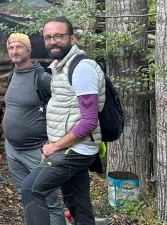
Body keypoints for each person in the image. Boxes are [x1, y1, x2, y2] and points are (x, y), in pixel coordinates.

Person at [22, 17, 105, 225]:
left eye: (59, 36)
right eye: (48, 37)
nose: (53, 41)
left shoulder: (82, 68)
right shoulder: (60, 66)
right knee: (78, 206)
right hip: (71, 147)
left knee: (31, 188)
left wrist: (54, 147)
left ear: (73, 38)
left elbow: (89, 121)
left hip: (77, 149)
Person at [3, 33, 64, 225]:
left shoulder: (42, 77)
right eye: (11, 47)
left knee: (49, 199)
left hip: (36, 150)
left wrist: (51, 141)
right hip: (12, 149)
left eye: (19, 47)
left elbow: (62, 109)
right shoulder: (12, 75)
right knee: (26, 196)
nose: (14, 51)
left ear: (28, 50)